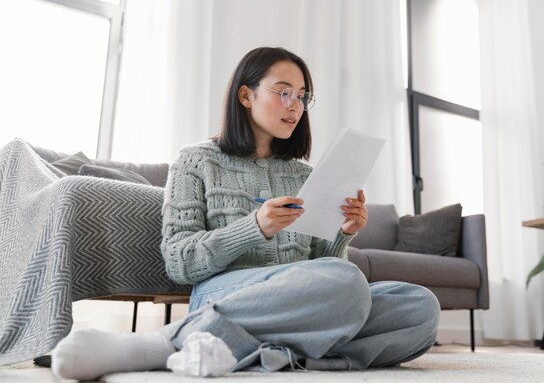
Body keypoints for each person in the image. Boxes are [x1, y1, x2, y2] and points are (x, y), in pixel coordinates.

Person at [52, 47, 440, 380]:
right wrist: (254, 227)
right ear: (245, 95)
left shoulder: (305, 174)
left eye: (303, 96)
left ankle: (270, 355)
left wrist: (342, 233)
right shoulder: (195, 161)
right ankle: (161, 344)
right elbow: (179, 262)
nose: (296, 105)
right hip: (230, 295)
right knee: (349, 284)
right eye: (283, 92)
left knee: (419, 307)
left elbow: (321, 274)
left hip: (304, 305)